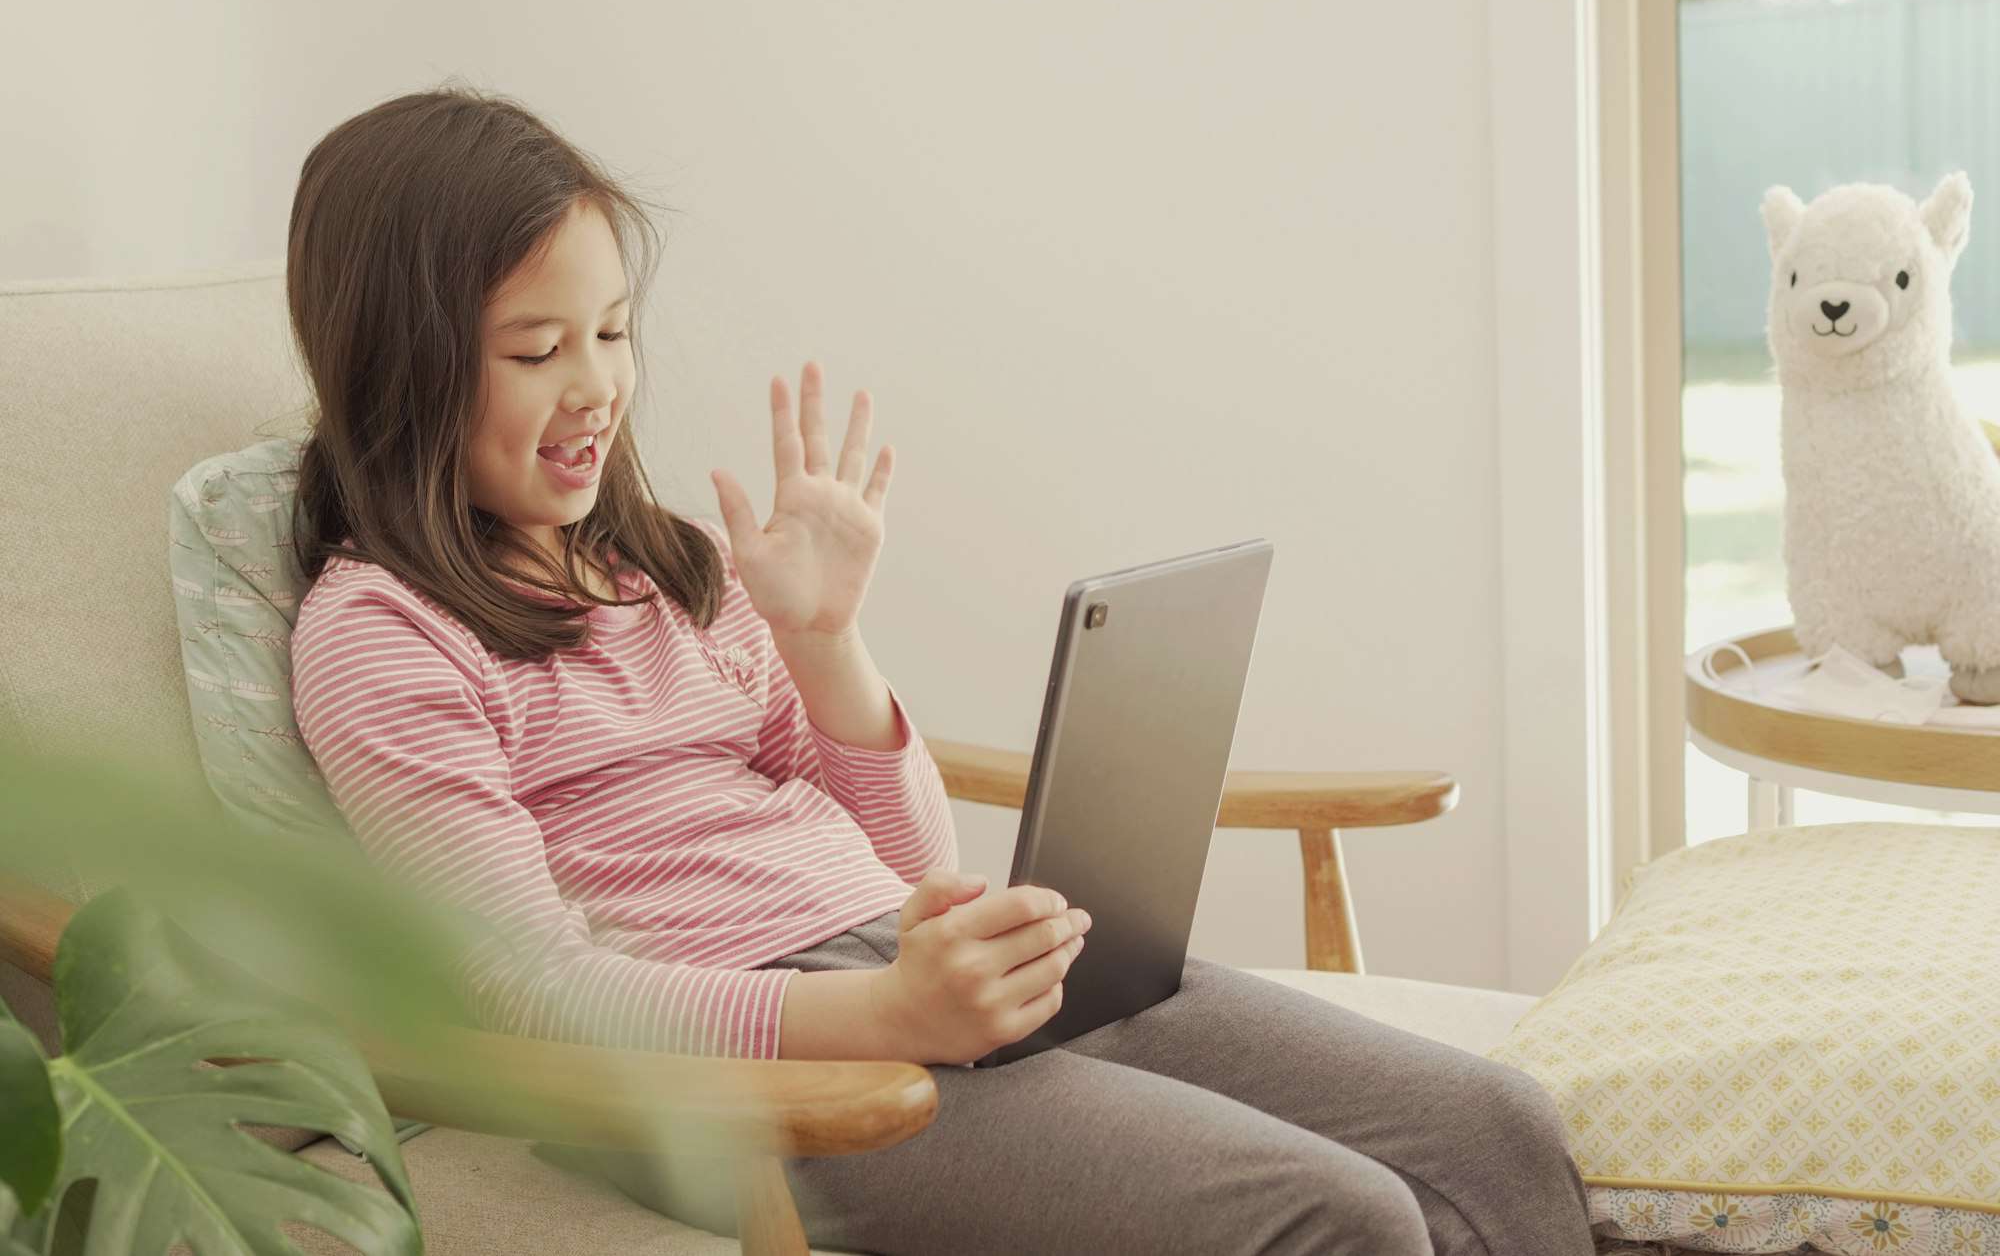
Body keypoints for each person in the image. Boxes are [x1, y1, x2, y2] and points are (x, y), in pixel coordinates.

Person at [285, 82, 1596, 1256]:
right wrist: (887, 1013)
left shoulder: (667, 561)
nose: (596, 390)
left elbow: (907, 866)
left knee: (1492, 1122)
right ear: (402, 362)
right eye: (535, 350)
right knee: (1340, 1213)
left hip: (902, 970)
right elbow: (534, 993)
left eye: (613, 333)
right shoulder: (382, 635)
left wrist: (825, 640)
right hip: (743, 1076)